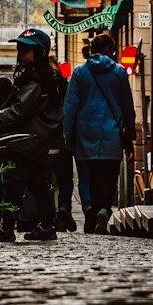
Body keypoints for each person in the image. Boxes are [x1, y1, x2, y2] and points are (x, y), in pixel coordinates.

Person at [0, 27, 64, 243]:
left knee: (14, 184)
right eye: (20, 48)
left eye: (26, 50)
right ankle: (47, 225)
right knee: (37, 182)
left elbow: (19, 110)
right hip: (37, 140)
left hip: (25, 141)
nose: (21, 53)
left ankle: (6, 228)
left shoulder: (35, 81)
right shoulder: (44, 77)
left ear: (41, 53)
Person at [63, 32, 136, 234]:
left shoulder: (79, 73)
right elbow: (127, 106)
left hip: (85, 134)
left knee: (86, 178)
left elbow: (70, 107)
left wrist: (67, 136)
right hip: (111, 135)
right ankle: (104, 208)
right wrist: (130, 138)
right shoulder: (120, 72)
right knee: (109, 176)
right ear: (109, 50)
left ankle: (88, 209)